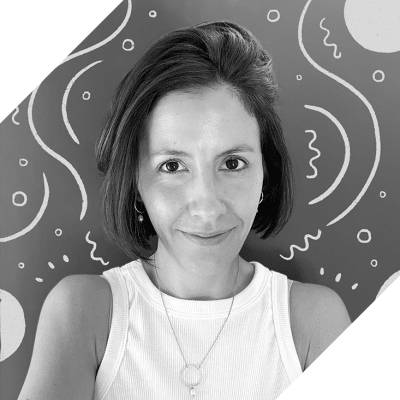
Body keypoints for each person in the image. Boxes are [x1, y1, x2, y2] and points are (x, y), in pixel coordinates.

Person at [18, 21, 351, 400]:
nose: (207, 207)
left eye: (233, 164)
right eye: (173, 166)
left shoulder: (312, 323)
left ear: (265, 172)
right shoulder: (83, 314)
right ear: (135, 181)